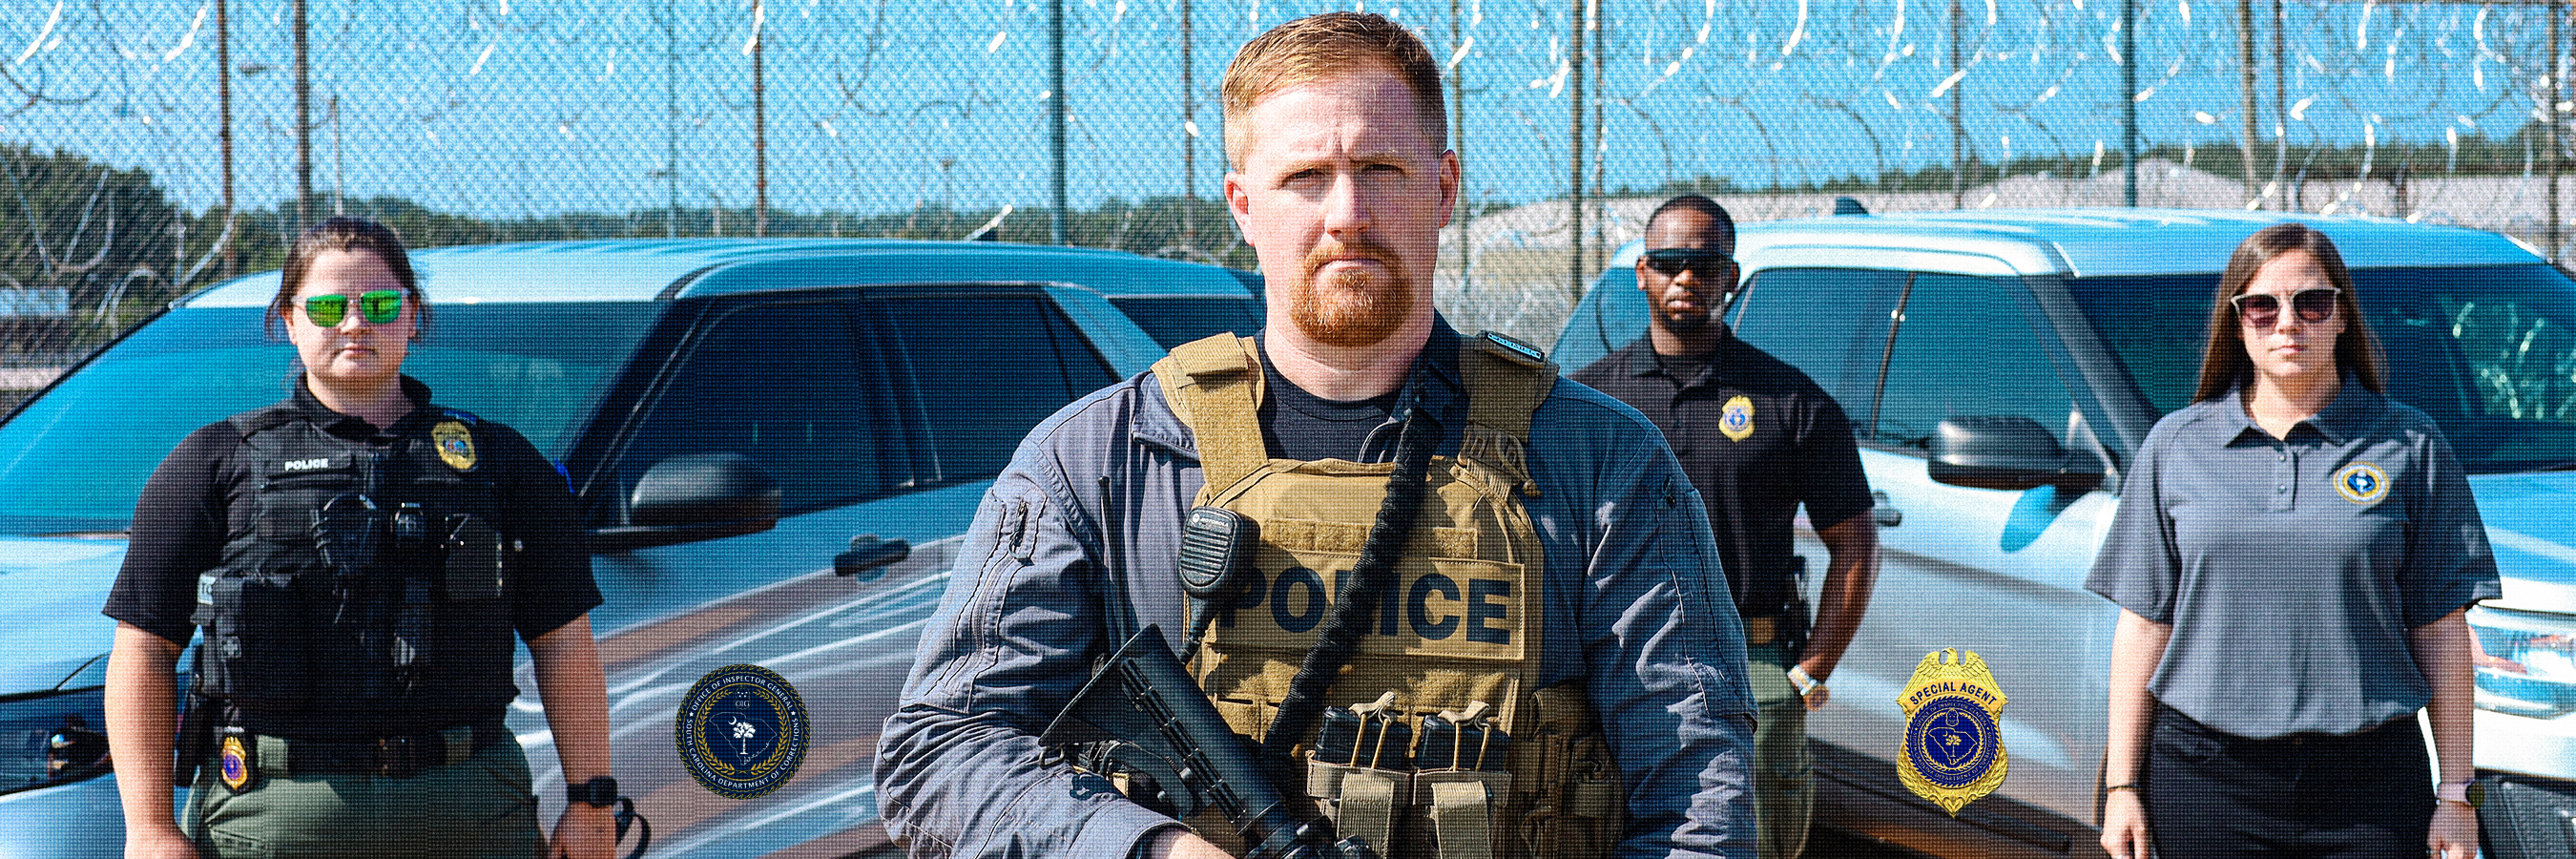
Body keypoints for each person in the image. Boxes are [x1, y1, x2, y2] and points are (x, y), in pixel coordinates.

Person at [876, 12, 1756, 859]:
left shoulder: (1601, 464)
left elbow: (1697, 790)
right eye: (1306, 177)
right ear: (1243, 204)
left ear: (1444, 187)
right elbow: (939, 750)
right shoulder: (1105, 459)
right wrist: (1154, 848)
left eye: (1381, 168)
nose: (1347, 212)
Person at [102, 217, 619, 859]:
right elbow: (143, 651)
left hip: (465, 805)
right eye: (326, 307)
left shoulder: (500, 462)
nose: (354, 324)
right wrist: (148, 826)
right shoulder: (214, 459)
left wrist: (590, 800)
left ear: (413, 316)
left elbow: (564, 642)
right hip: (270, 812)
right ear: (288, 321)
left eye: (379, 305)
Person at [2088, 222, 2497, 859]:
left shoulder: (2412, 447)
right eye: (2262, 306)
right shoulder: (2175, 446)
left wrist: (2454, 796)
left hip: (2370, 789)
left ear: (2340, 318)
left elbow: (2441, 633)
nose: (2288, 323)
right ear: (2236, 321)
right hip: (2205, 781)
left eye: (2311, 303)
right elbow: (2143, 628)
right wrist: (2122, 786)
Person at [1568, 195, 1878, 859]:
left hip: (1751, 665)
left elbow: (1854, 541)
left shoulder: (1791, 401)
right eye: (1671, 263)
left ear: (1730, 276)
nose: (1688, 279)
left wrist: (1809, 673)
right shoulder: (1590, 401)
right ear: (1642, 272)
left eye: (1705, 265)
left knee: (1750, 846)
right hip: (1614, 661)